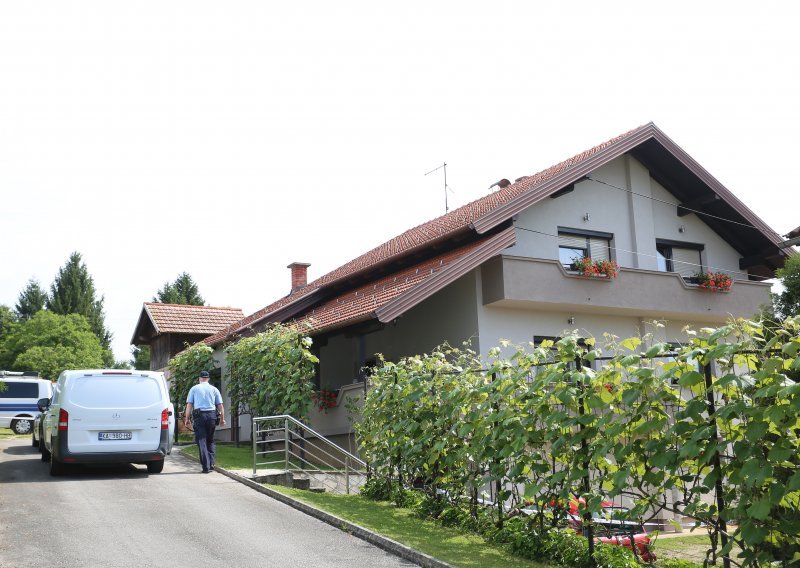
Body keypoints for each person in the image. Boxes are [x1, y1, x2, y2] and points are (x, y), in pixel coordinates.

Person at [183, 370, 225, 473]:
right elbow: (220, 406)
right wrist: (222, 419)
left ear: (199, 378)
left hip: (199, 416)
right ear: (208, 379)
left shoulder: (194, 389)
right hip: (212, 416)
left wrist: (187, 418)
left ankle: (206, 466)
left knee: (202, 440)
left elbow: (189, 405)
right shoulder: (214, 389)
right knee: (210, 440)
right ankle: (211, 464)